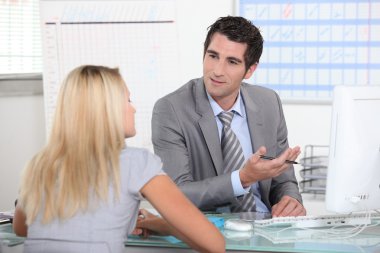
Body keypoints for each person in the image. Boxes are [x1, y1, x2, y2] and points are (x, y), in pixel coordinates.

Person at [12, 65, 225, 253]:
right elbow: (214, 244)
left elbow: (22, 228)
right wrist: (164, 225)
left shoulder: (40, 164)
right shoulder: (137, 163)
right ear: (107, 109)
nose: (133, 109)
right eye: (128, 99)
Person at [152, 16, 306, 217]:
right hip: (208, 231)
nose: (217, 71)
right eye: (213, 56)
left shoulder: (268, 102)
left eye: (232, 62)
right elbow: (175, 195)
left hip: (265, 228)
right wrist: (242, 179)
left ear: (250, 70)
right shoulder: (171, 109)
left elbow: (283, 180)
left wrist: (290, 200)